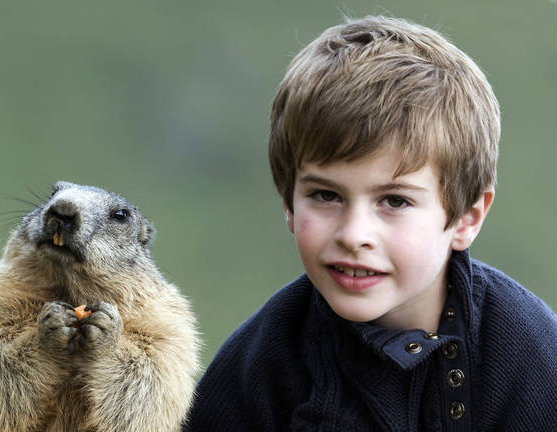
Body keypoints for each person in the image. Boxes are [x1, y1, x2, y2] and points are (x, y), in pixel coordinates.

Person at [183, 15, 557, 431]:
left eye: (394, 201)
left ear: (466, 217)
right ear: (288, 200)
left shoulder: (531, 354)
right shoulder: (261, 365)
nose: (353, 235)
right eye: (326, 195)